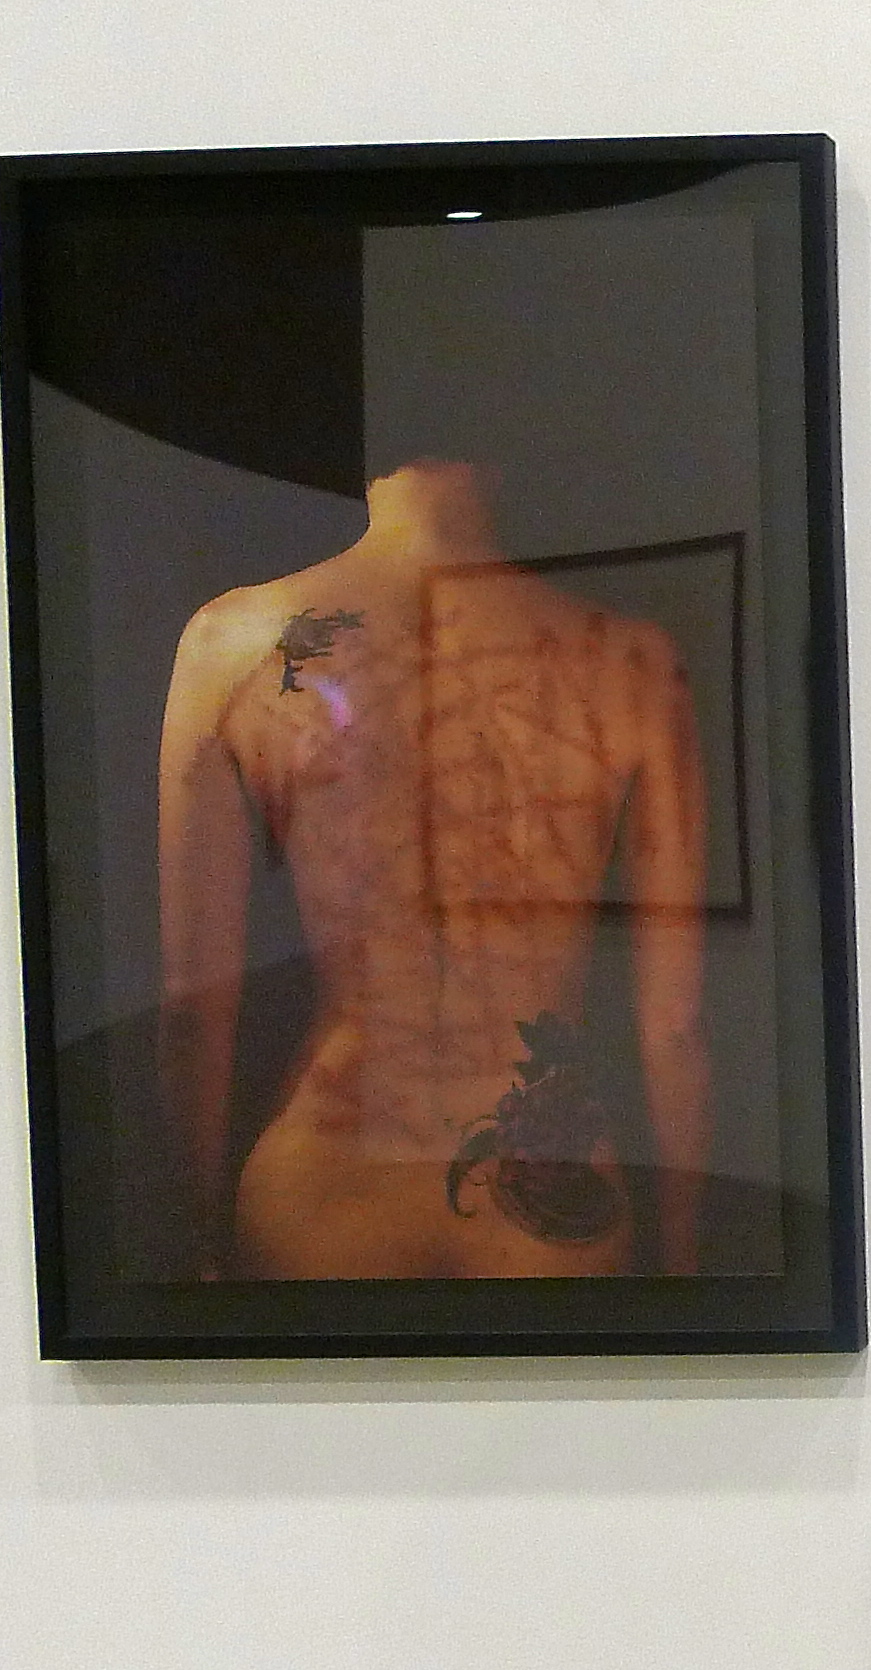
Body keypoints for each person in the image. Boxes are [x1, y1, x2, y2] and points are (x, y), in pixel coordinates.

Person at [154, 458, 710, 1279]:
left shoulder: (230, 642)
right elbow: (672, 1025)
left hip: (324, 1190)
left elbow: (192, 1007)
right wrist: (690, 1268)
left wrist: (196, 1243)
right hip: (547, 1194)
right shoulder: (634, 663)